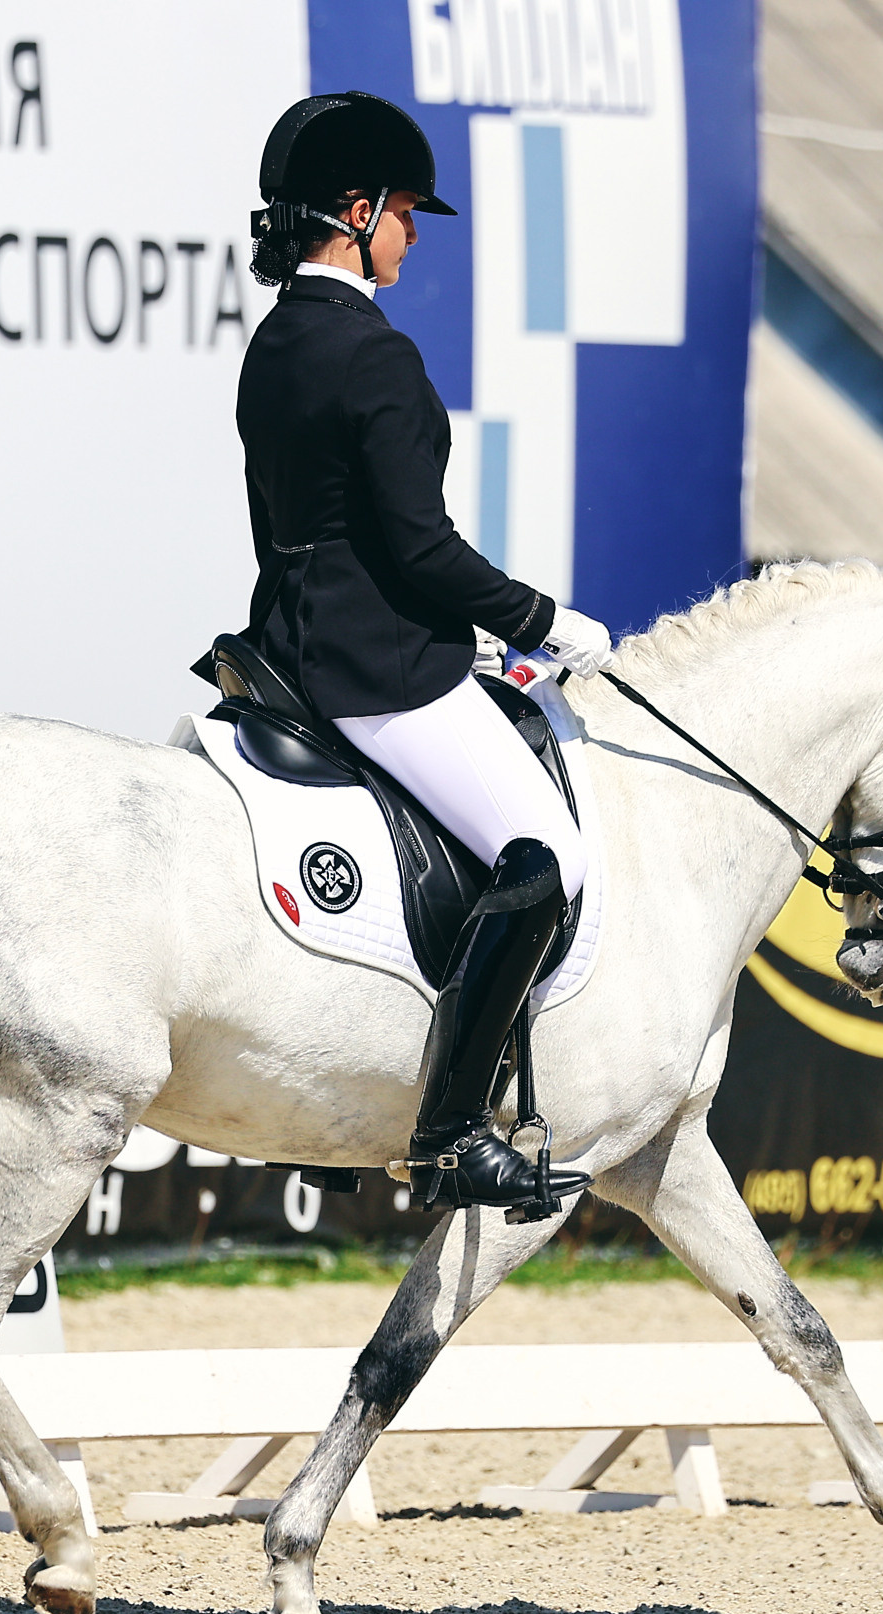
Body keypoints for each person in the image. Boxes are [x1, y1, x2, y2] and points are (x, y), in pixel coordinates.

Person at [234, 92, 611, 1212]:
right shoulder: (375, 354)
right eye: (403, 212)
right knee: (545, 858)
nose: (411, 232)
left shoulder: (278, 342)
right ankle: (449, 1131)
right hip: (376, 668)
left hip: (285, 653)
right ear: (355, 214)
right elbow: (419, 551)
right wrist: (545, 620)